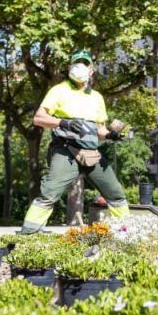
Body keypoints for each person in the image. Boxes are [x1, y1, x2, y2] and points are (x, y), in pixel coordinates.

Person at [20, 50, 130, 233]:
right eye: (76, 62)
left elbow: (100, 129)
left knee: (115, 192)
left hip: (91, 153)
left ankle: (128, 232)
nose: (80, 66)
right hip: (66, 151)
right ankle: (29, 233)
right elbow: (38, 118)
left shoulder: (97, 97)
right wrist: (64, 122)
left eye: (85, 63)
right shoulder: (59, 90)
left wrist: (111, 135)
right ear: (70, 67)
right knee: (49, 193)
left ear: (91, 71)